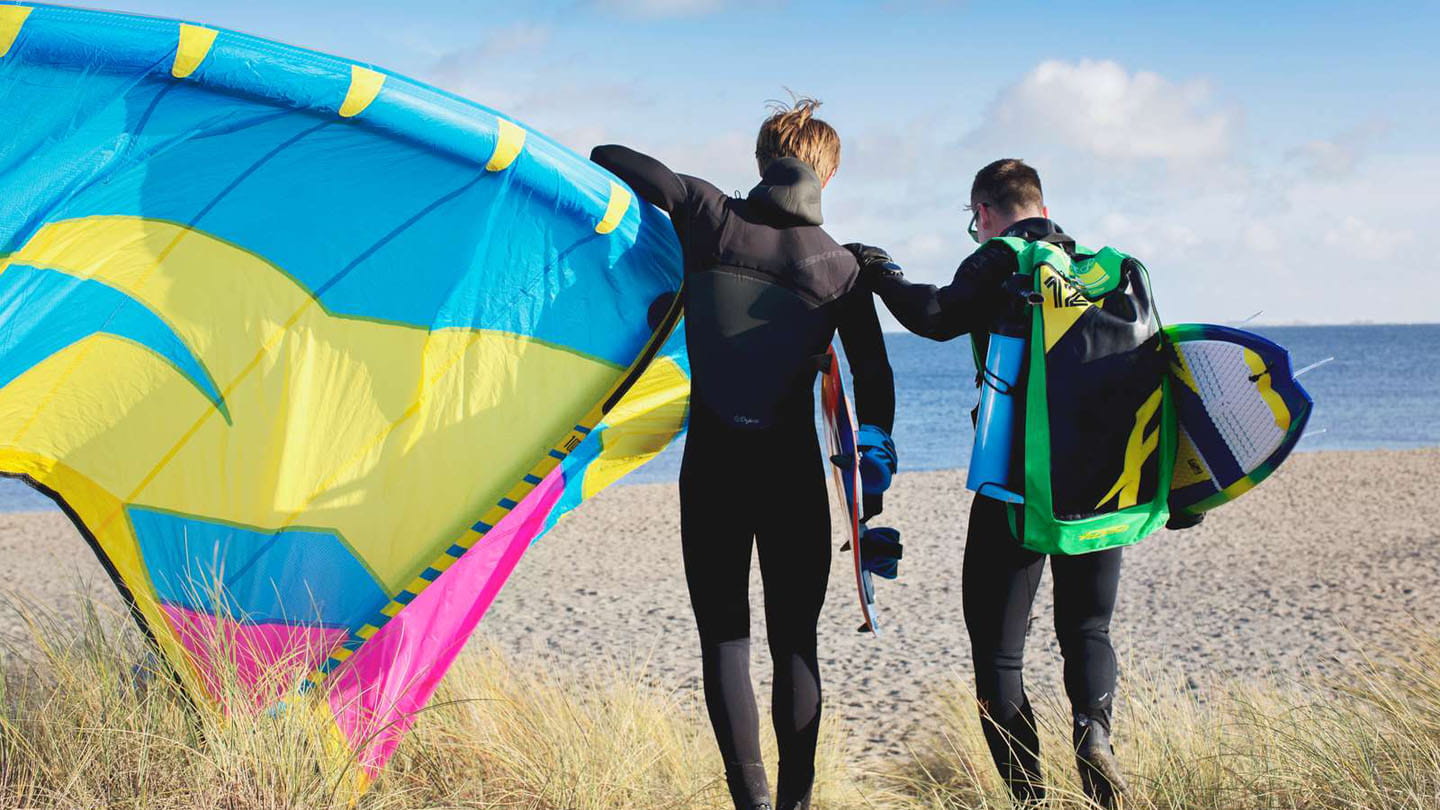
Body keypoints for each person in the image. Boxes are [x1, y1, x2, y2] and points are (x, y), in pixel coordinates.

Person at [590, 99, 896, 810]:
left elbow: (610, 157)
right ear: (827, 172)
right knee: (797, 644)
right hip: (793, 478)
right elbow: (875, 382)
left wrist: (695, 202)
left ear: (763, 161)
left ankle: (751, 804)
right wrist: (873, 459)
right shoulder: (844, 268)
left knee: (725, 640)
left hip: (714, 473)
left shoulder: (707, 212)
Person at [846, 159, 1141, 808]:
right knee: (1089, 632)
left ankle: (1030, 799)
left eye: (973, 220)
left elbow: (933, 316)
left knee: (1000, 661)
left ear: (982, 213)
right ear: (1041, 202)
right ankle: (1094, 735)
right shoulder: (1109, 266)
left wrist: (879, 271)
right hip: (1102, 489)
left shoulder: (1002, 258)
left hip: (1015, 489)